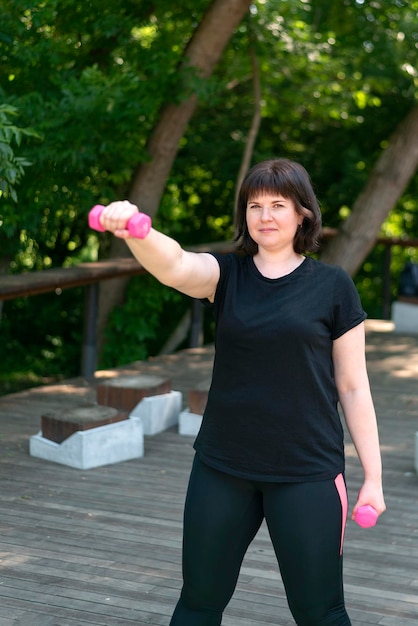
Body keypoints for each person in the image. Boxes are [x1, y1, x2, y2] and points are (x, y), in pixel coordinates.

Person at [97, 158, 386, 626]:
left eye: (278, 205)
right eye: (254, 205)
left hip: (306, 472)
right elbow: (175, 266)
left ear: (303, 215)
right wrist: (136, 230)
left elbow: (353, 387)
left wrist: (372, 477)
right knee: (198, 603)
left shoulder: (333, 286)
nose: (265, 216)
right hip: (222, 468)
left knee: (321, 612)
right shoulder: (226, 276)